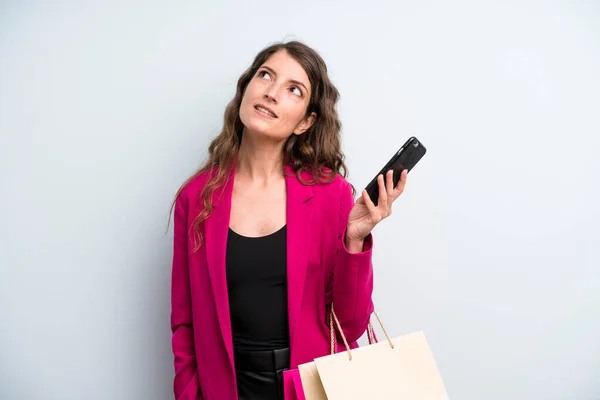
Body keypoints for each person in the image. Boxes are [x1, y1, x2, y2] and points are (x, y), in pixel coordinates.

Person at [169, 40, 408, 400]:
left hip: (309, 389)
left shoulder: (332, 195)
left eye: (293, 90)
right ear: (246, 89)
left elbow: (350, 324)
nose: (271, 93)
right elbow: (185, 321)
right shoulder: (197, 197)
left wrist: (355, 240)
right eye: (265, 75)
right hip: (226, 390)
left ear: (306, 121)